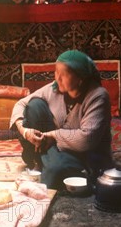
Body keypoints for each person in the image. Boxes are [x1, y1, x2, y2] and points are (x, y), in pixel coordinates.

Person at [10, 50, 113, 189]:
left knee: (57, 170)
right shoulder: (55, 88)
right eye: (56, 72)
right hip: (57, 147)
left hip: (87, 155)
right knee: (34, 105)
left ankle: (50, 165)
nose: (57, 78)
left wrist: (51, 135)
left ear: (80, 77)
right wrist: (24, 131)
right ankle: (45, 162)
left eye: (63, 74)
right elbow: (21, 104)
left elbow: (86, 139)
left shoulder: (98, 96)